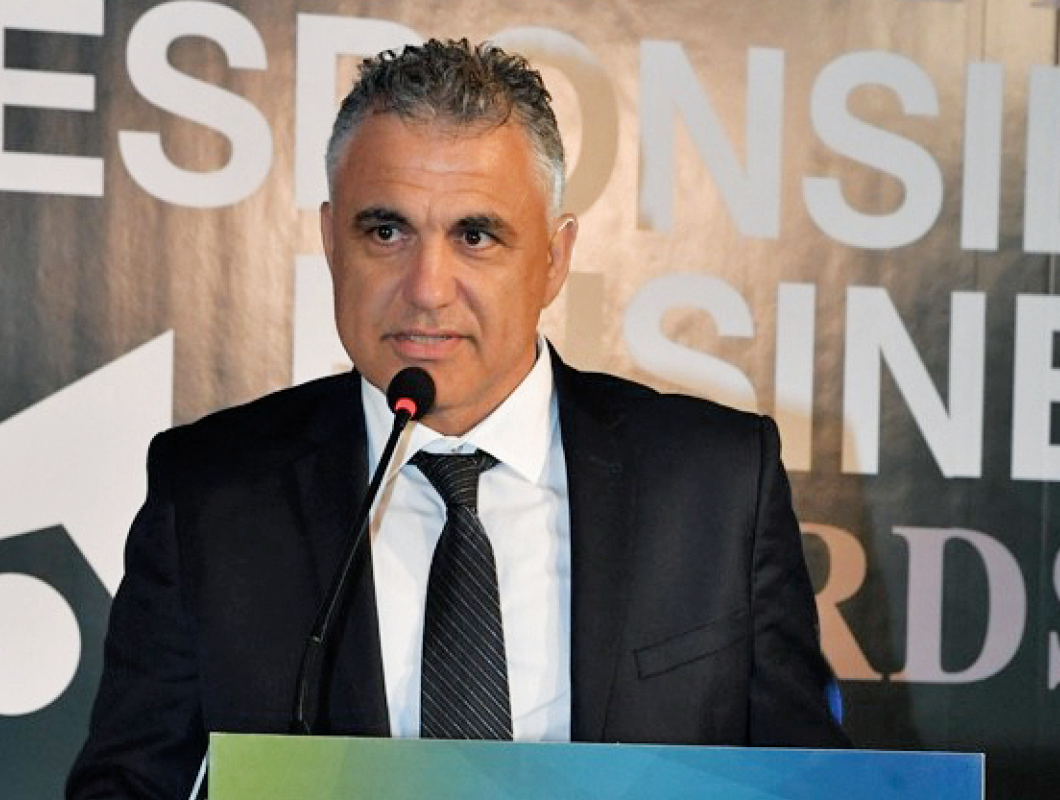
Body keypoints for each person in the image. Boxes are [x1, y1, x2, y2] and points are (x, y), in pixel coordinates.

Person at [67, 38, 848, 800]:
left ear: (554, 258)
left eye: (475, 236)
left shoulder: (717, 483)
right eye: (386, 232)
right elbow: (127, 783)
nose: (427, 288)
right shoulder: (212, 493)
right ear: (330, 242)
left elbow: (814, 785)